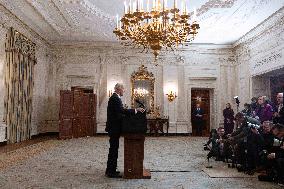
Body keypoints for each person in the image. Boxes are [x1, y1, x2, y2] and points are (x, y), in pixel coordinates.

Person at [105, 83, 145, 178]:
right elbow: (121, 111)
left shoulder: (115, 98)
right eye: (123, 89)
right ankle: (111, 172)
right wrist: (136, 110)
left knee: (113, 149)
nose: (124, 91)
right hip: (114, 128)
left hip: (114, 128)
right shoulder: (115, 98)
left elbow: (119, 112)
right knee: (113, 150)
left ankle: (110, 170)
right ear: (119, 89)